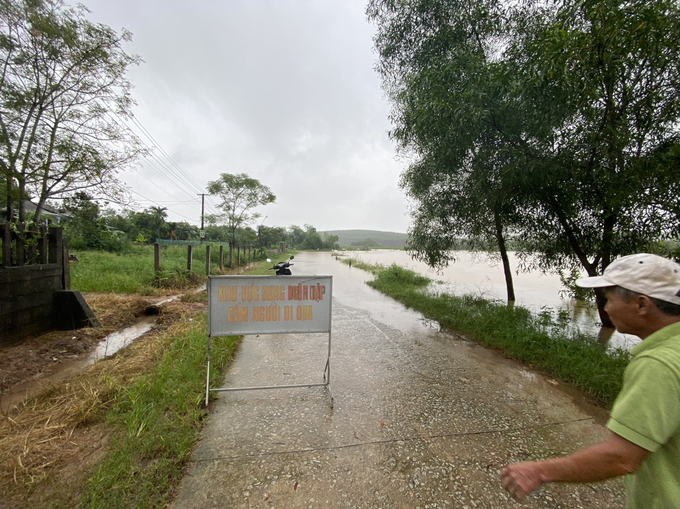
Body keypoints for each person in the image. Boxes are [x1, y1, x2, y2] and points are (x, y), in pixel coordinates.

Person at [500, 253, 680, 508]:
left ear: (641, 304)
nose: (605, 308)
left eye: (609, 299)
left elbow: (622, 457)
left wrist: (539, 471)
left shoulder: (660, 364)